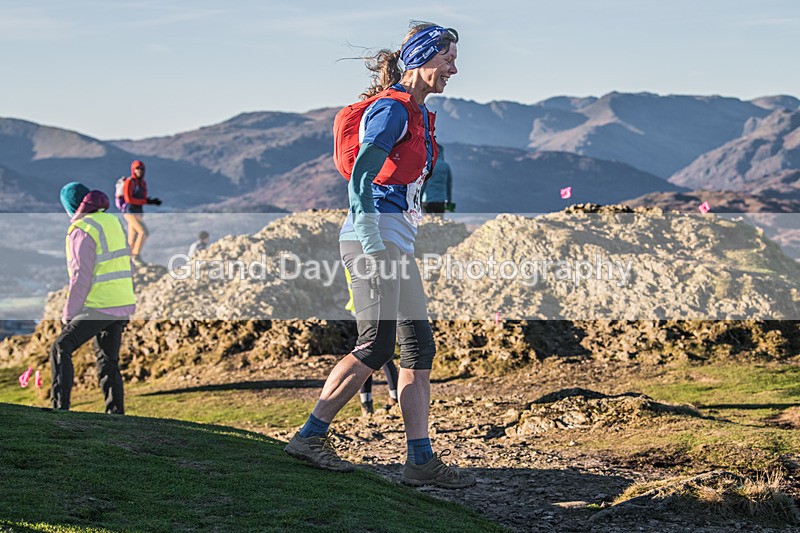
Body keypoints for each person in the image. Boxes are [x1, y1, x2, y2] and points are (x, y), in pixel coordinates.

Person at [285, 22, 475, 488]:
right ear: (422, 59)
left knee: (419, 347)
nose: (454, 69)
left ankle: (420, 460)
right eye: (447, 58)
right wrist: (371, 234)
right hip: (373, 238)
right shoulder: (391, 110)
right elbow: (362, 175)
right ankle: (309, 437)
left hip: (397, 240)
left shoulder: (417, 112)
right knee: (376, 345)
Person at [50, 182, 136, 414]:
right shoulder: (112, 221)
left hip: (100, 303)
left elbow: (81, 276)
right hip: (121, 301)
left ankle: (60, 408)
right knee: (108, 360)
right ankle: (115, 414)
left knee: (61, 347)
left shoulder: (82, 229)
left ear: (70, 206)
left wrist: (69, 314)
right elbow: (126, 262)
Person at [344, 266, 399, 415]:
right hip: (370, 309)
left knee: (369, 353)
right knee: (377, 353)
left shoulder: (350, 259)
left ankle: (367, 403)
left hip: (361, 309)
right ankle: (391, 399)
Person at [120, 160, 161, 266]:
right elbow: (128, 199)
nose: (140, 171)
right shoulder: (129, 182)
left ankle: (128, 260)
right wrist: (145, 201)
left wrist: (149, 201)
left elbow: (142, 198)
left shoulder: (142, 183)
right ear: (133, 170)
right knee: (143, 232)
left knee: (132, 237)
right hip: (129, 212)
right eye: (137, 168)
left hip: (138, 212)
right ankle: (136, 256)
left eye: (142, 169)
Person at [421, 141, 454, 217]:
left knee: (428, 222)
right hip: (441, 200)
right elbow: (449, 185)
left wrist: (418, 199)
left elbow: (423, 184)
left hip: (427, 200)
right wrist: (449, 201)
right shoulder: (446, 166)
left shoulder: (428, 165)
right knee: (438, 221)